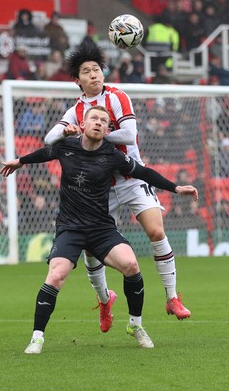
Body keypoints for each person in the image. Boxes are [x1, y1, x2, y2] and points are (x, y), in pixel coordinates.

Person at [1, 106, 198, 354]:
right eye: (93, 118)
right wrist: (19, 162)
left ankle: (135, 326)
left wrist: (176, 188)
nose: (98, 123)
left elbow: (144, 172)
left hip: (101, 228)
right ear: (83, 125)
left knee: (132, 266)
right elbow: (44, 153)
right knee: (56, 275)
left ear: (107, 130)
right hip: (70, 228)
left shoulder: (112, 155)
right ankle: (37, 338)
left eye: (104, 121)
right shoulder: (66, 146)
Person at [44, 41, 196, 333]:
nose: (93, 75)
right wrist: (67, 131)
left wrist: (94, 132)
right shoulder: (76, 109)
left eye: (97, 69)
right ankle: (104, 300)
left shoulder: (116, 97)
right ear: (77, 80)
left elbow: (128, 133)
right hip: (99, 187)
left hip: (130, 177)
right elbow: (50, 139)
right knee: (91, 250)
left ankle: (172, 297)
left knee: (156, 230)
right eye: (86, 72)